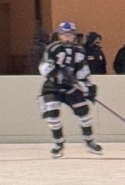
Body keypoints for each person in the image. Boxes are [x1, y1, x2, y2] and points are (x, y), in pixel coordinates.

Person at [38, 21, 102, 158]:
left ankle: (89, 141)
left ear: (74, 36)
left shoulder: (79, 51)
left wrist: (88, 88)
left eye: (70, 34)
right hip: (53, 86)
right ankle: (58, 143)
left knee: (84, 112)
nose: (67, 37)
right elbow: (44, 67)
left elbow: (83, 72)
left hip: (71, 87)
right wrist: (57, 74)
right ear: (60, 35)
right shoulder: (53, 48)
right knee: (52, 115)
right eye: (64, 34)